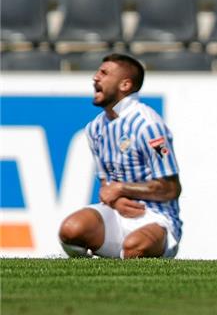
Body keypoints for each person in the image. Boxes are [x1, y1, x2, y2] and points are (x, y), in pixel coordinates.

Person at [59, 53, 183, 259]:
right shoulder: (95, 128)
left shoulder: (149, 126)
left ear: (125, 85)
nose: (95, 78)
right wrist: (115, 200)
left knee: (134, 247)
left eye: (104, 73)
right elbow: (107, 184)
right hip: (116, 213)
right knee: (70, 230)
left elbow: (171, 188)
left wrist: (121, 188)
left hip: (155, 217)